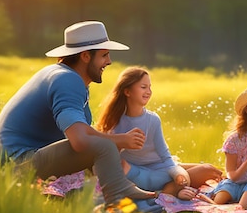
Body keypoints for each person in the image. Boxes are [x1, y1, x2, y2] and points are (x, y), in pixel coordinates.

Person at [0, 21, 158, 206]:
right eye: (104, 55)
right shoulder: (67, 80)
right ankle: (118, 197)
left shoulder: (65, 76)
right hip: (17, 166)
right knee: (104, 147)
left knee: (109, 151)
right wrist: (119, 140)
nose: (109, 61)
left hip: (25, 160)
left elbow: (82, 132)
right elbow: (80, 141)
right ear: (86, 56)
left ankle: (138, 183)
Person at [95, 66, 223, 200]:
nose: (148, 92)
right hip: (135, 172)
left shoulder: (153, 119)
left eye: (150, 87)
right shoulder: (114, 120)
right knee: (203, 172)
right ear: (127, 91)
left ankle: (169, 190)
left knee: (209, 169)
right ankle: (165, 194)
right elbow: (106, 152)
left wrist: (177, 173)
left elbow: (165, 156)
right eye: (143, 87)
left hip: (160, 169)